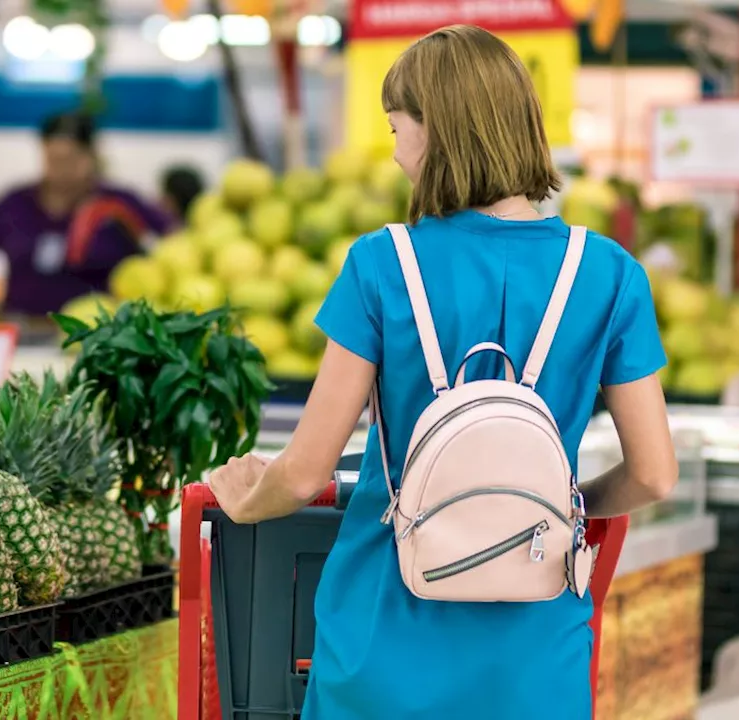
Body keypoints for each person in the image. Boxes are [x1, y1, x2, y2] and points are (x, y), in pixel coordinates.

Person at [206, 25, 677, 719]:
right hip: (536, 653)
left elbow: (307, 471)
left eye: (397, 128)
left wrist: (248, 499)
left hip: (383, 639)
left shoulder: (381, 265)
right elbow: (655, 475)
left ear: (437, 133)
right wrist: (559, 509)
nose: (396, 153)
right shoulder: (609, 275)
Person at [0, 112, 173, 319]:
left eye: (70, 160)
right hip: (23, 330)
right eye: (53, 160)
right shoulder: (15, 204)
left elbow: (171, 243)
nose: (61, 169)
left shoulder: (119, 204)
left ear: (91, 156)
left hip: (100, 336)